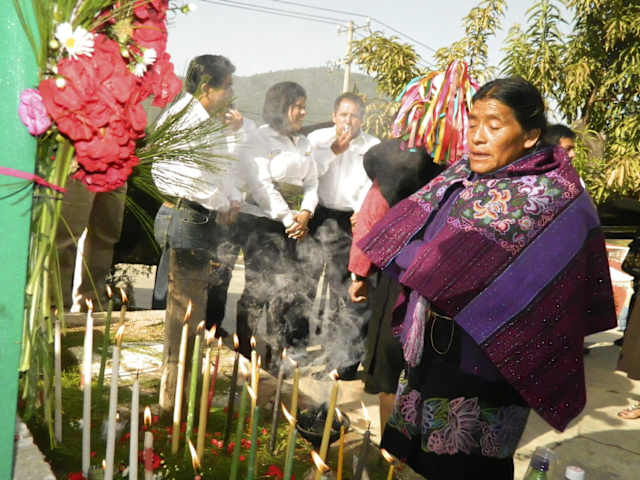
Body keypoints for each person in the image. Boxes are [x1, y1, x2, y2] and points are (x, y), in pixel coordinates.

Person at [357, 77, 617, 479]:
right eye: (473, 122)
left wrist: (438, 266)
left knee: (470, 466)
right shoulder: (460, 178)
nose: (477, 137)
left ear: (529, 135)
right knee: (418, 459)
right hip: (432, 344)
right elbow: (417, 240)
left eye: (494, 125)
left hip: (491, 356)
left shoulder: (554, 197)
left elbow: (556, 288)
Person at [151, 54, 251, 410]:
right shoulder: (185, 119)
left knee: (192, 309)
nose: (232, 92)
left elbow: (217, 170)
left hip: (199, 215)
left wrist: (230, 198)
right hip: (189, 216)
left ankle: (181, 388)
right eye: (229, 86)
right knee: (183, 310)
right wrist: (222, 202)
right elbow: (182, 177)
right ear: (207, 88)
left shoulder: (202, 119)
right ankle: (172, 397)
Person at [348, 138, 443, 432]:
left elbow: (368, 221)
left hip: (401, 281)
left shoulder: (390, 170)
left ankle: (392, 450)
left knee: (391, 368)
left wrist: (360, 276)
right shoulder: (462, 169)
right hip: (444, 283)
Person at [236, 81, 318, 365]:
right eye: (297, 106)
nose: (302, 112)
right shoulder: (258, 140)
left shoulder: (304, 143)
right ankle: (244, 352)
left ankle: (273, 356)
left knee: (286, 293)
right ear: (280, 107)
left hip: (297, 226)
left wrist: (306, 212)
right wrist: (287, 219)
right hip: (263, 224)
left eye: (304, 106)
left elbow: (312, 182)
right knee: (258, 291)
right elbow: (262, 186)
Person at [306, 93, 380, 378]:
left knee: (346, 291)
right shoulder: (317, 140)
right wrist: (334, 150)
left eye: (354, 116)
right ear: (334, 115)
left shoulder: (373, 147)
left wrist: (363, 211)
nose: (348, 121)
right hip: (318, 214)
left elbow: (374, 187)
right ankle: (298, 349)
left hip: (352, 221)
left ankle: (344, 361)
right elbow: (308, 177)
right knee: (304, 282)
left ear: (362, 118)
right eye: (343, 115)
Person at [57, 179, 126, 311]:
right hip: (78, 166)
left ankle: (91, 302)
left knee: (106, 235)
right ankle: (55, 306)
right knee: (65, 236)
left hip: (116, 164)